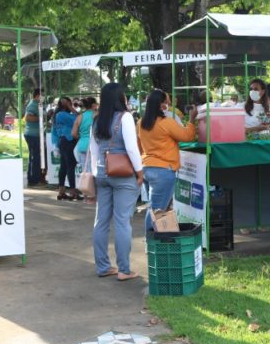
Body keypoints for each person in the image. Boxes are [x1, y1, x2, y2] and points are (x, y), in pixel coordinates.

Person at [90, 82, 144, 281]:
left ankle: (103, 266)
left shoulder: (97, 120)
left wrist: (97, 173)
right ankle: (124, 269)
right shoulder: (125, 117)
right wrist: (139, 172)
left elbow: (93, 150)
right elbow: (131, 148)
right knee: (122, 221)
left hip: (102, 175)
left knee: (101, 221)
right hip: (123, 175)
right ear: (121, 98)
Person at [138, 89, 196, 227]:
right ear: (161, 105)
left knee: (154, 207)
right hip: (163, 170)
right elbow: (187, 136)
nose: (169, 105)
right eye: (167, 102)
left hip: (146, 167)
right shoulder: (166, 122)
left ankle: (153, 242)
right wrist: (192, 119)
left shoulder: (141, 122)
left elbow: (138, 143)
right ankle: (150, 243)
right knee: (157, 211)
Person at [53, 96, 80, 200]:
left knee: (64, 167)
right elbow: (78, 118)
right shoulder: (62, 115)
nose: (72, 106)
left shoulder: (58, 115)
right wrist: (70, 106)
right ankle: (73, 192)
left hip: (64, 142)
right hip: (68, 141)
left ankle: (61, 191)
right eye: (70, 104)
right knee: (70, 166)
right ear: (65, 105)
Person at [73, 96, 99, 202]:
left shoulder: (80, 117)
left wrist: (82, 137)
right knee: (93, 170)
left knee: (84, 171)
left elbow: (73, 133)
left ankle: (85, 194)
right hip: (93, 145)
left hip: (82, 145)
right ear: (93, 105)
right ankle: (92, 196)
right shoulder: (96, 115)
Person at [23, 88, 45, 187]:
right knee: (34, 157)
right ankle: (33, 179)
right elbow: (28, 117)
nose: (43, 97)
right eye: (42, 95)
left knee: (36, 157)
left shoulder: (37, 104)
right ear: (37, 96)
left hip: (36, 134)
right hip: (32, 135)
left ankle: (36, 178)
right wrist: (41, 118)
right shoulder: (32, 105)